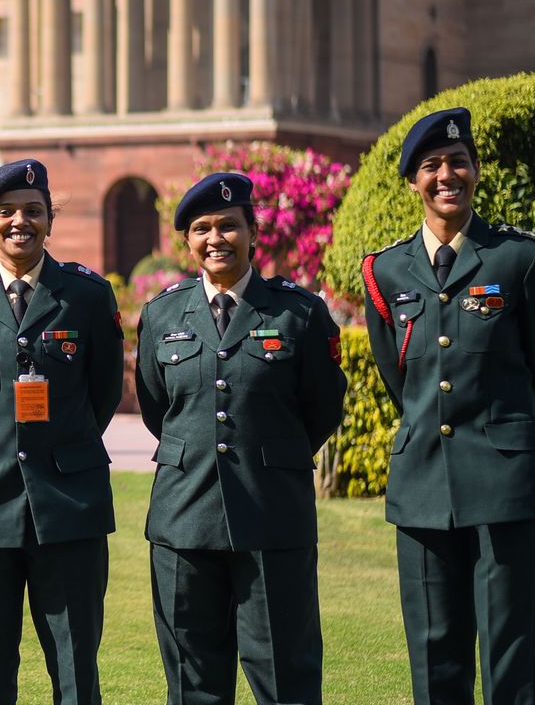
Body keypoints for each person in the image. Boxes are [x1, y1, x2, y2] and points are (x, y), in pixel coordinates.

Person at [361, 108, 535, 705]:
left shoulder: (521, 259)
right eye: (431, 166)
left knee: (516, 655)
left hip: (509, 482)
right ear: (412, 182)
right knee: (434, 659)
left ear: (476, 172)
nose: (446, 174)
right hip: (424, 482)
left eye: (458, 162)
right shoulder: (386, 269)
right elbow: (397, 376)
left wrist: (498, 430)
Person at [133, 171, 346, 705]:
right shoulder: (162, 315)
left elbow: (321, 409)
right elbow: (159, 407)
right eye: (202, 228)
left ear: (253, 231)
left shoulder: (299, 313)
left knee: (285, 674)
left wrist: (269, 456)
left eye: (229, 225)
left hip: (272, 514)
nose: (215, 239)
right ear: (187, 241)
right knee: (192, 680)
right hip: (183, 517)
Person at [0, 159, 123, 705]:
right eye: (6, 212)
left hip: (68, 505)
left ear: (49, 222)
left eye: (33, 212)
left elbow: (104, 393)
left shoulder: (87, 295)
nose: (21, 222)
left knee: (75, 669)